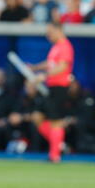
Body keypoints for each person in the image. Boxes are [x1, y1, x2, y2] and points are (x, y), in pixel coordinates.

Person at [29, 21, 74, 163]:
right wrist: (35, 68)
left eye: (50, 32)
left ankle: (55, 155)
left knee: (56, 121)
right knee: (37, 116)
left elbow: (62, 67)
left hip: (60, 87)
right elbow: (50, 64)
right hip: (50, 88)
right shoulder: (56, 47)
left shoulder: (65, 46)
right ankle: (59, 143)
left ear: (58, 30)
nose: (48, 35)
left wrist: (45, 75)